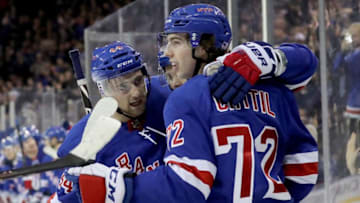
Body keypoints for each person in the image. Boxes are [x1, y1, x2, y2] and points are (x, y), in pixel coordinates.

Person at [71, 3, 319, 203]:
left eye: (176, 42)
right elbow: (305, 170)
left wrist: (118, 187)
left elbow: (189, 183)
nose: (166, 52)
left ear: (204, 46)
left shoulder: (185, 97)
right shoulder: (277, 91)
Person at [49, 41, 171, 203]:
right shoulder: (80, 142)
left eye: (138, 81)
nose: (136, 93)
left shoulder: (163, 93)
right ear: (103, 91)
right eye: (123, 87)